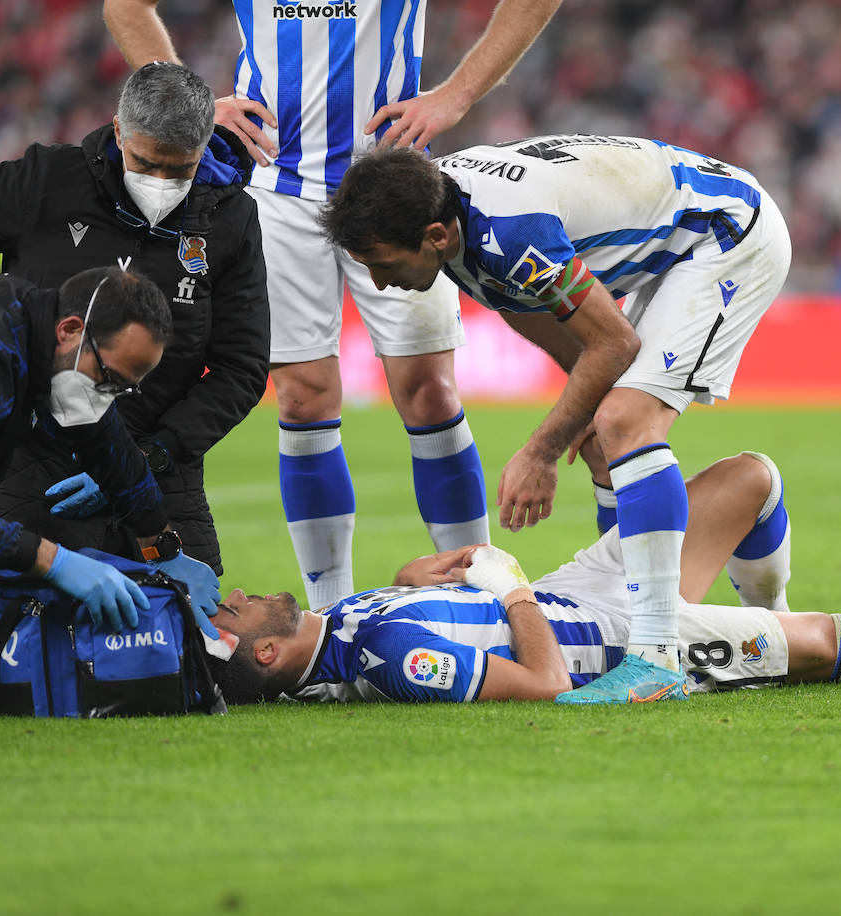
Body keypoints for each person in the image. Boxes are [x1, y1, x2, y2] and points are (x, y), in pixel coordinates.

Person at [103, 0, 564, 612]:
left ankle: (482, 599)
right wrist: (187, 104)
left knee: (430, 393)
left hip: (395, 177)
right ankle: (331, 617)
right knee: (301, 397)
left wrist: (458, 93)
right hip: (276, 183)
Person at [319, 138, 793, 702]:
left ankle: (655, 653)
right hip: (674, 244)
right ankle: (654, 616)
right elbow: (550, 324)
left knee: (624, 420)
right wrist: (579, 418)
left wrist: (541, 452)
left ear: (436, 238)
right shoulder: (439, 211)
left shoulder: (511, 232)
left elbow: (613, 344)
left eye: (384, 264)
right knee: (601, 426)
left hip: (726, 233)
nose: (377, 282)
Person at [205, 451, 841, 706]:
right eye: (239, 615)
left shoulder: (344, 622)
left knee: (750, 478)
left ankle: (759, 621)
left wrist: (425, 570)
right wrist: (511, 592)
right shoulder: (393, 660)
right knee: (828, 641)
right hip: (616, 638)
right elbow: (543, 684)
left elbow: (418, 597)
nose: (238, 596)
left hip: (585, 586)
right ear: (272, 651)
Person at [0, 62, 269, 583]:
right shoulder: (47, 180)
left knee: (200, 641)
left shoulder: (229, 219)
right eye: (148, 163)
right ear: (119, 131)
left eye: (181, 170)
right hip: (39, 457)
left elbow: (242, 367)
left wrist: (154, 455)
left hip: (161, 465)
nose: (162, 183)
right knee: (31, 638)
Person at [0, 267, 222, 716]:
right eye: (110, 379)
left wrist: (163, 546)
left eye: (125, 388)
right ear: (71, 330)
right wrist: (54, 560)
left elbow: (110, 448)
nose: (109, 396)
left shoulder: (31, 329)